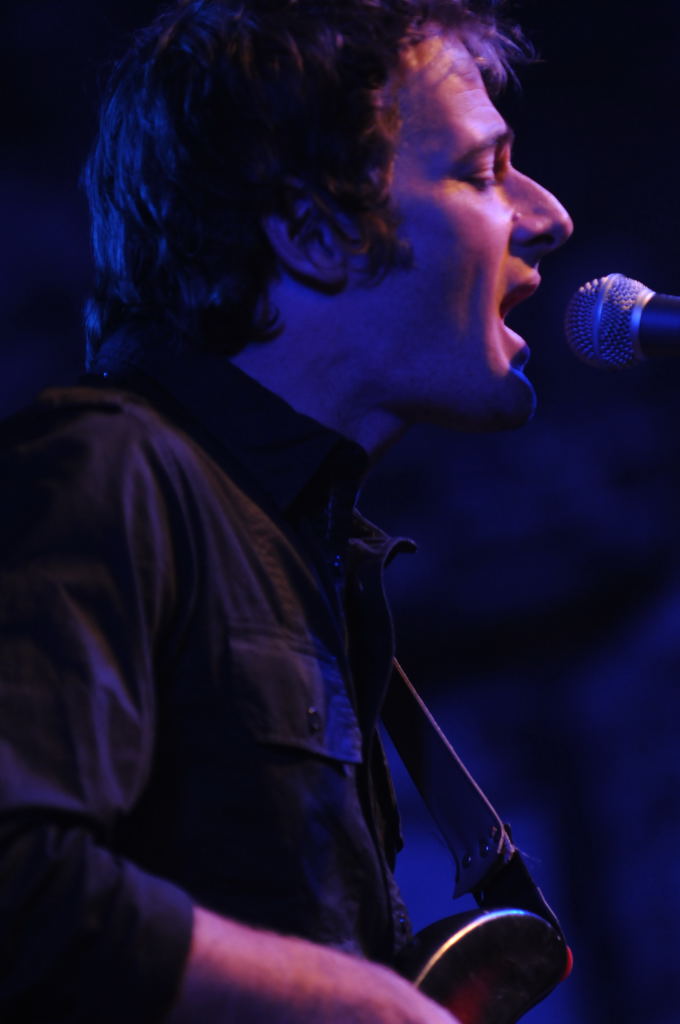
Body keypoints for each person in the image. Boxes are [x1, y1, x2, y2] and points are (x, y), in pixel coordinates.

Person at [0, 1, 573, 1021]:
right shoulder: (107, 470)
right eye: (481, 172)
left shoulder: (308, 553)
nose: (548, 215)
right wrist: (357, 1005)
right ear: (314, 232)